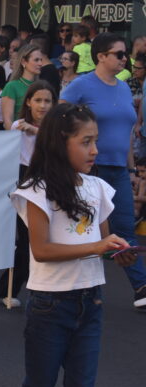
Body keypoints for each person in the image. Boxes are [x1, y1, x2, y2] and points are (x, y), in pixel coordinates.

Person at [10, 103, 136, 387]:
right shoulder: (37, 189)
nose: (95, 150)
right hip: (50, 303)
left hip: (91, 299)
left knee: (82, 385)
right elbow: (42, 250)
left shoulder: (97, 187)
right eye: (85, 142)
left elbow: (103, 243)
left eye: (96, 141)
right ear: (60, 142)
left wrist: (118, 252)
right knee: (40, 384)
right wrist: (98, 246)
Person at [61, 33, 146, 309]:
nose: (125, 59)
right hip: (89, 169)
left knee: (124, 228)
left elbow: (127, 134)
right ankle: (77, 289)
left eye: (125, 54)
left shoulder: (123, 88)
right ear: (101, 56)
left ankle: (141, 287)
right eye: (119, 54)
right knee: (85, 230)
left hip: (119, 169)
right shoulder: (81, 85)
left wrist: (131, 169)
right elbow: (57, 120)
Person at [0, 80, 57, 307]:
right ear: (29, 102)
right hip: (25, 179)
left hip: (51, 180)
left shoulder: (57, 128)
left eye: (47, 101)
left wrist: (35, 130)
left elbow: (57, 146)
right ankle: (9, 289)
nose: (43, 105)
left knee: (49, 238)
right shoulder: (18, 125)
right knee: (27, 240)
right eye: (38, 100)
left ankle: (39, 289)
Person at [1, 44, 44, 130]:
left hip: (40, 135)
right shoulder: (12, 86)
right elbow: (8, 121)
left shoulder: (42, 87)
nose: (40, 63)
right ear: (23, 62)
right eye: (36, 60)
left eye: (41, 60)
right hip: (20, 135)